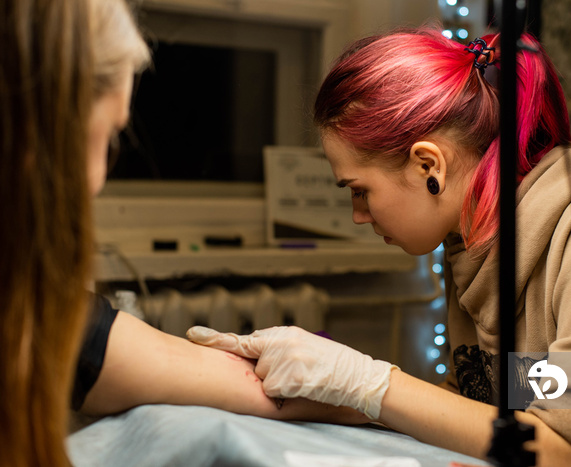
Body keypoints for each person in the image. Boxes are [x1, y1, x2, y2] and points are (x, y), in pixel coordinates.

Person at [187, 27, 571, 466]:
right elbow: (484, 409)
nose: (357, 215)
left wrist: (368, 383)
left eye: (359, 190)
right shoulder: (475, 241)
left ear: (428, 165)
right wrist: (324, 391)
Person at [0, 1, 362, 465]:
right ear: (40, 136)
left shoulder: (30, 306)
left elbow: (120, 353)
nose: (96, 180)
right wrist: (372, 390)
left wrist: (366, 388)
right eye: (107, 137)